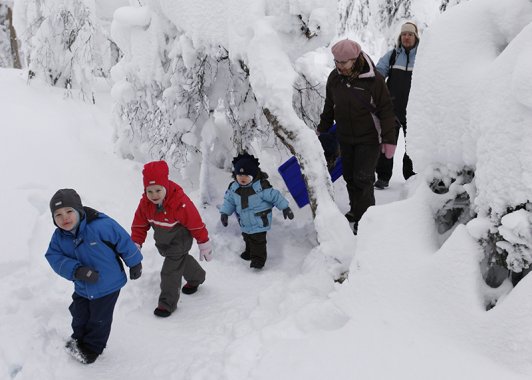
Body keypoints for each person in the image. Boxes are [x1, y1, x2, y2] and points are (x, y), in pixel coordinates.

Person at [45, 189, 143, 364]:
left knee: (99, 319)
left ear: (79, 211)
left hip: (108, 284)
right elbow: (53, 257)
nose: (64, 218)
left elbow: (123, 241)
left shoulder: (101, 225)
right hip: (83, 284)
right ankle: (78, 338)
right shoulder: (59, 237)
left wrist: (134, 262)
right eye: (58, 214)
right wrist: (75, 270)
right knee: (79, 313)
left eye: (69, 211)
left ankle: (92, 349)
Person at [317, 39, 396, 234]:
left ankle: (366, 218)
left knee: (363, 178)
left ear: (355, 59)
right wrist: (322, 129)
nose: (339, 67)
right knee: (350, 176)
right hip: (345, 136)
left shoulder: (373, 80)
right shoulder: (334, 78)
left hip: (369, 138)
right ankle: (355, 209)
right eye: (336, 62)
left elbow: (386, 110)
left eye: (344, 63)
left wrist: (389, 139)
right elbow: (329, 105)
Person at [131, 160, 212, 318]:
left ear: (165, 186)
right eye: (150, 191)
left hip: (179, 240)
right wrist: (136, 243)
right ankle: (197, 277)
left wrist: (204, 243)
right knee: (182, 260)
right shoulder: (145, 204)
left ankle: (167, 303)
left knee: (170, 271)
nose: (154, 195)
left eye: (158, 190)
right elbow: (139, 225)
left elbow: (195, 224)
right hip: (164, 242)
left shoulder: (179, 203)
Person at [219, 153, 294, 269]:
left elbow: (275, 196)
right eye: (239, 175)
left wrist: (285, 207)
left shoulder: (261, 187)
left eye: (246, 176)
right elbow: (229, 201)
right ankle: (249, 252)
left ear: (253, 175)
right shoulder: (234, 188)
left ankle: (258, 260)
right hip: (244, 221)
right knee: (247, 238)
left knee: (258, 241)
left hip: (260, 220)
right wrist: (225, 213)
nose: (242, 178)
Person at [374, 21, 420, 189]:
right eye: (404, 34)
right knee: (387, 144)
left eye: (410, 34)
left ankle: (411, 178)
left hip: (414, 110)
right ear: (400, 37)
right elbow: (378, 74)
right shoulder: (392, 56)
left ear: (416, 37)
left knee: (412, 147)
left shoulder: (423, 56)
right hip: (391, 110)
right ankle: (383, 177)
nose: (406, 37)